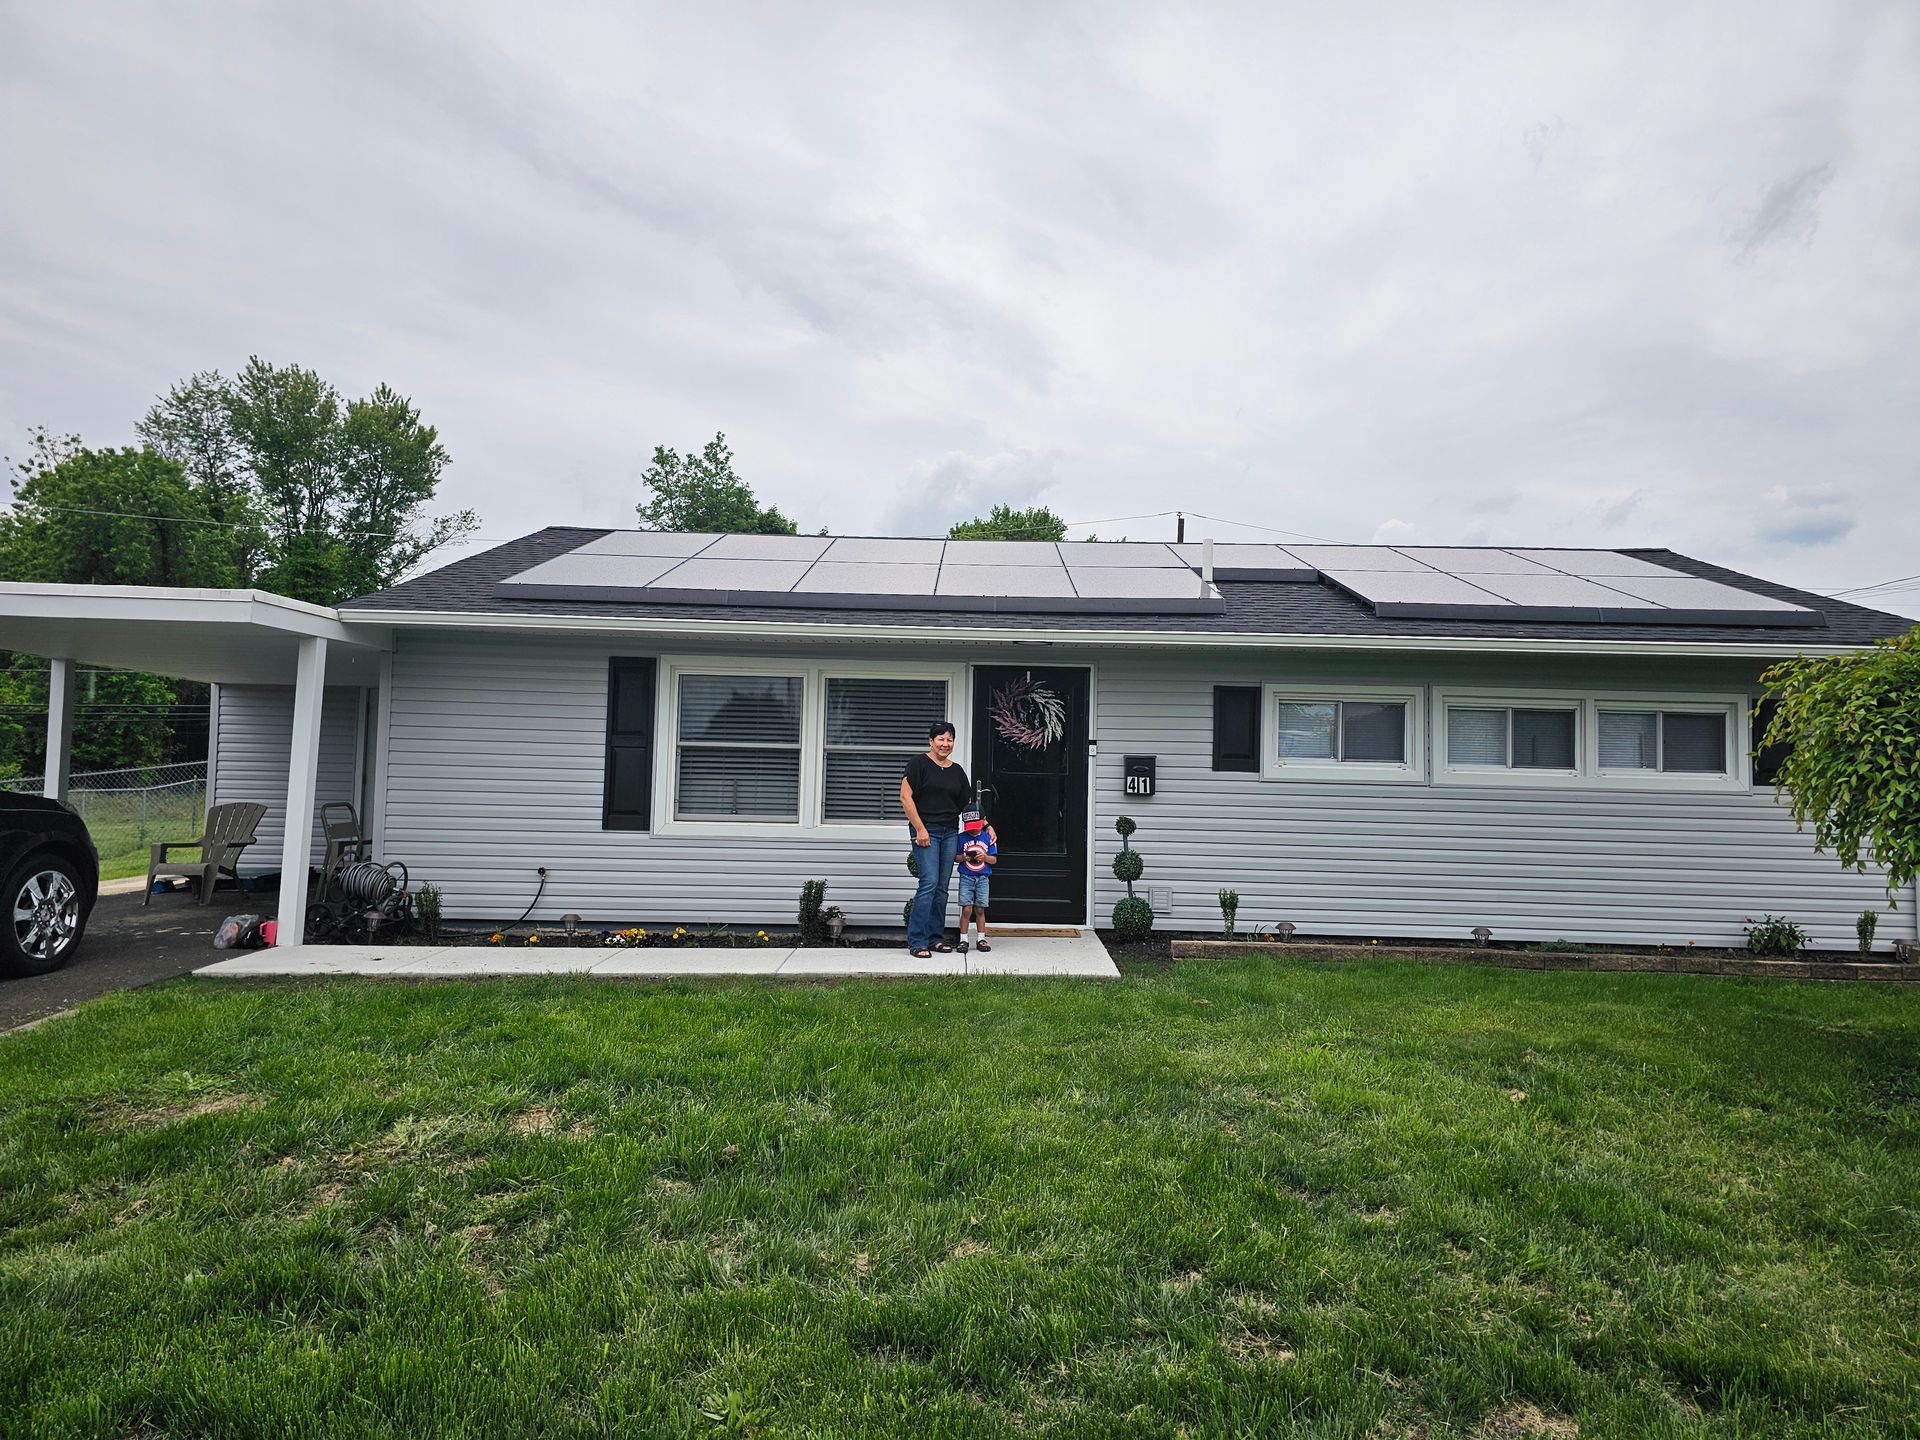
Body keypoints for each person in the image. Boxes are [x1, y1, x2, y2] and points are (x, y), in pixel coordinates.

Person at [900, 720, 970, 958]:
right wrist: (920, 829)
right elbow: (905, 798)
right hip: (926, 830)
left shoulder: (957, 771)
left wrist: (987, 825)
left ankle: (935, 939)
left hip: (950, 832)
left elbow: (967, 807)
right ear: (931, 741)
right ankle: (917, 941)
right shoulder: (918, 764)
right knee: (928, 884)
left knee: (941, 888)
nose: (945, 743)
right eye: (940, 739)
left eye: (949, 739)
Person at [955, 813, 997, 953]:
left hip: (982, 878)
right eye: (970, 827)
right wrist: (964, 857)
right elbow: (956, 857)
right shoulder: (961, 837)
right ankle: (963, 939)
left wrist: (984, 857)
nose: (973, 830)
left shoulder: (987, 837)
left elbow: (994, 860)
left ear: (983, 821)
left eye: (976, 827)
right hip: (966, 877)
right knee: (966, 909)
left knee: (980, 908)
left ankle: (981, 938)